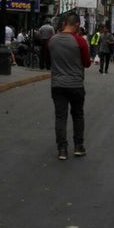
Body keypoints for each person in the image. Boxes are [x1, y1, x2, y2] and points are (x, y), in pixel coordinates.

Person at [48, 12, 91, 160]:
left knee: (60, 116)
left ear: (64, 23)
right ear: (77, 25)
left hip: (57, 84)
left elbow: (50, 59)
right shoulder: (80, 41)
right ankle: (78, 146)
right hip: (76, 84)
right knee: (78, 115)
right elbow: (87, 63)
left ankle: (62, 149)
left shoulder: (52, 40)